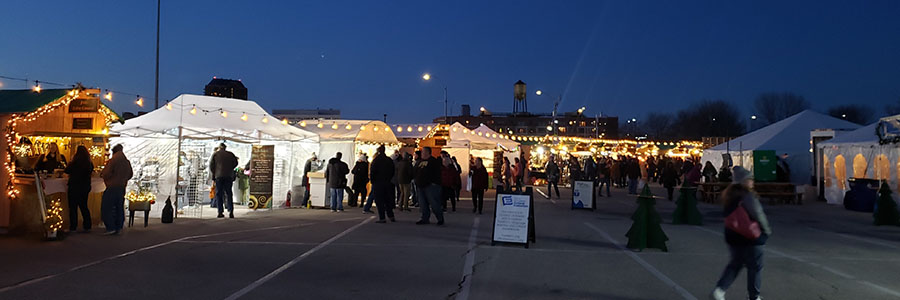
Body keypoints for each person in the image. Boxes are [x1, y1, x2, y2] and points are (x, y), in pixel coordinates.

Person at [711, 166, 772, 300]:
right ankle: (754, 296)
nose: (752, 182)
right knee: (755, 267)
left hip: (732, 234)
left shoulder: (729, 195)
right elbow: (758, 213)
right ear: (743, 181)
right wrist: (766, 230)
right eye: (749, 179)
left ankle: (720, 290)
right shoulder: (747, 195)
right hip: (750, 235)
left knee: (735, 264)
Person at [100, 144, 133, 235]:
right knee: (119, 207)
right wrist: (123, 179)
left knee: (107, 207)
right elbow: (130, 174)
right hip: (122, 187)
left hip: (112, 186)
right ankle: (119, 227)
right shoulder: (126, 161)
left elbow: (106, 173)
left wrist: (107, 178)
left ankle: (110, 227)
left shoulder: (113, 161)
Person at [64, 145, 93, 233]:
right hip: (85, 187)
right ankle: (87, 225)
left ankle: (73, 226)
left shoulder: (75, 162)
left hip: (74, 186)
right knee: (84, 206)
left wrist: (71, 161)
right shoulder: (89, 163)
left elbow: (67, 170)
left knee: (73, 207)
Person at [414, 147, 444, 225]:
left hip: (431, 186)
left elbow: (437, 173)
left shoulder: (433, 161)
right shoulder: (419, 162)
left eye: (423, 152)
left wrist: (434, 183)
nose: (422, 153)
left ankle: (440, 218)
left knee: (434, 203)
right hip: (420, 186)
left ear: (428, 152)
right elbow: (415, 171)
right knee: (422, 204)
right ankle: (425, 218)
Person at [209, 143, 238, 218]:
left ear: (219, 148)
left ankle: (220, 212)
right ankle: (231, 211)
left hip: (219, 176)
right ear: (225, 148)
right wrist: (230, 169)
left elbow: (211, 166)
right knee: (229, 193)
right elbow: (235, 163)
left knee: (219, 194)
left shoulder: (215, 154)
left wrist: (214, 175)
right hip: (228, 176)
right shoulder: (230, 154)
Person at [370, 145, 396, 223]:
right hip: (387, 182)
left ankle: (382, 217)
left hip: (378, 183)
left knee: (379, 200)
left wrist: (372, 181)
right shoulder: (389, 160)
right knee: (388, 200)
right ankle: (391, 215)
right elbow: (392, 170)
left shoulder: (376, 160)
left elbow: (372, 172)